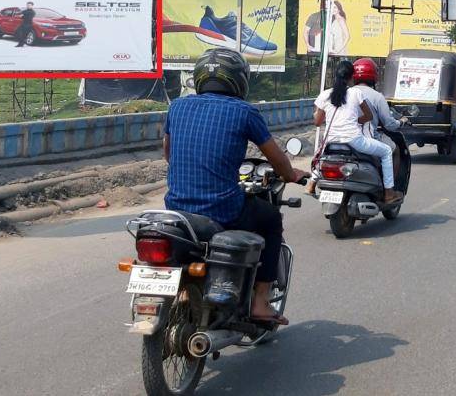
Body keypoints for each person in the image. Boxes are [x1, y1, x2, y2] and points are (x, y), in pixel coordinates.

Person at [162, 48, 308, 326]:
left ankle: (184, 293)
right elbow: (276, 156)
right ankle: (261, 301)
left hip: (177, 209)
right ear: (239, 80)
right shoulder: (244, 112)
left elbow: (168, 154)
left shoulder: (177, 107)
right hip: (222, 209)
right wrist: (290, 174)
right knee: (271, 219)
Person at [312, 60, 402, 204]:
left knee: (321, 155)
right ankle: (389, 192)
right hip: (354, 139)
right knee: (386, 151)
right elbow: (370, 117)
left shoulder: (326, 94)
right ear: (351, 77)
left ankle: (311, 183)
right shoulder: (356, 93)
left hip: (330, 140)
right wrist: (355, 121)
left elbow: (317, 122)